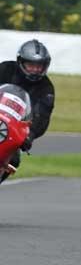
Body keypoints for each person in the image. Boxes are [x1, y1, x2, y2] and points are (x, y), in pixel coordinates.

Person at [0, 39, 55, 183]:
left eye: (39, 66)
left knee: (14, 160)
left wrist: (30, 135)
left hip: (12, 130)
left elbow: (42, 116)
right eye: (31, 65)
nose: (36, 69)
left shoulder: (46, 89)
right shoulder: (5, 69)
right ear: (21, 62)